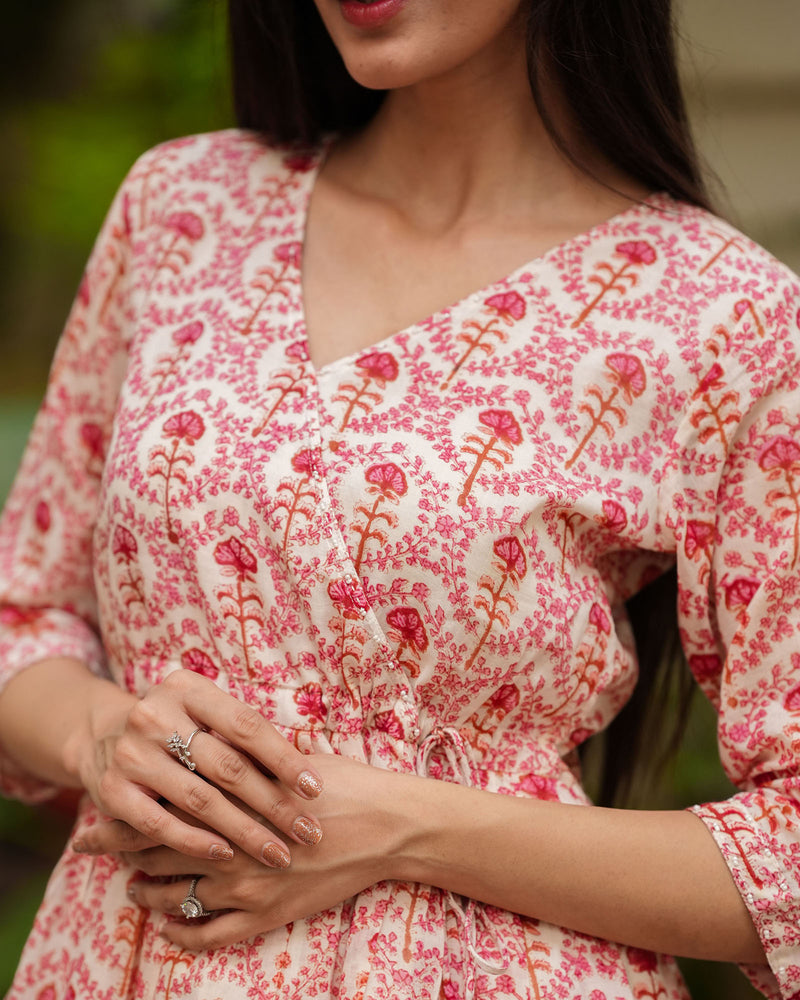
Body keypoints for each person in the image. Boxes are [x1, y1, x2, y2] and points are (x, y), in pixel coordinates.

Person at [1, 0, 799, 997]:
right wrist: (96, 732)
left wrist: (400, 829)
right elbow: (21, 613)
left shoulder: (721, 317)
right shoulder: (182, 207)